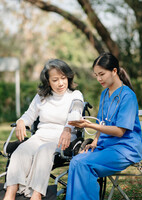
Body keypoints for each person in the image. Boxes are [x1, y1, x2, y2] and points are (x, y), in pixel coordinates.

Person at [66, 52, 142, 200]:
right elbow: (102, 122)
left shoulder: (128, 96)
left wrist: (91, 126)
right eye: (96, 75)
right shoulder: (104, 94)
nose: (98, 79)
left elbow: (120, 131)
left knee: (84, 164)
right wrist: (95, 141)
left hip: (126, 148)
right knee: (76, 161)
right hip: (106, 146)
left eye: (101, 74)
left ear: (114, 71)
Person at [3, 59, 83, 200]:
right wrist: (21, 121)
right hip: (40, 136)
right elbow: (29, 115)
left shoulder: (75, 95)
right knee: (20, 152)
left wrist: (67, 129)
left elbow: (75, 114)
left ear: (68, 77)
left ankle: (36, 195)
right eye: (55, 79)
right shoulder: (41, 96)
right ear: (48, 81)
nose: (60, 83)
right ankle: (10, 194)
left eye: (63, 78)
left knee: (44, 152)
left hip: (61, 139)